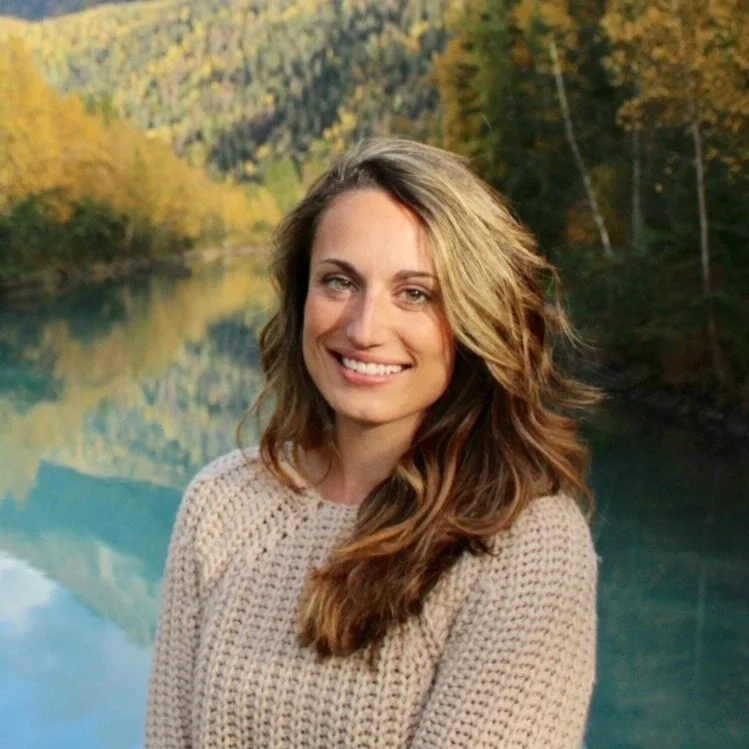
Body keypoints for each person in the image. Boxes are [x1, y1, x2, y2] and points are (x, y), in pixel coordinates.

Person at [145, 137, 599, 749]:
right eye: (339, 282)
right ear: (300, 296)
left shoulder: (527, 546)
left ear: (475, 315)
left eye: (416, 294)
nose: (364, 329)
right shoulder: (221, 504)